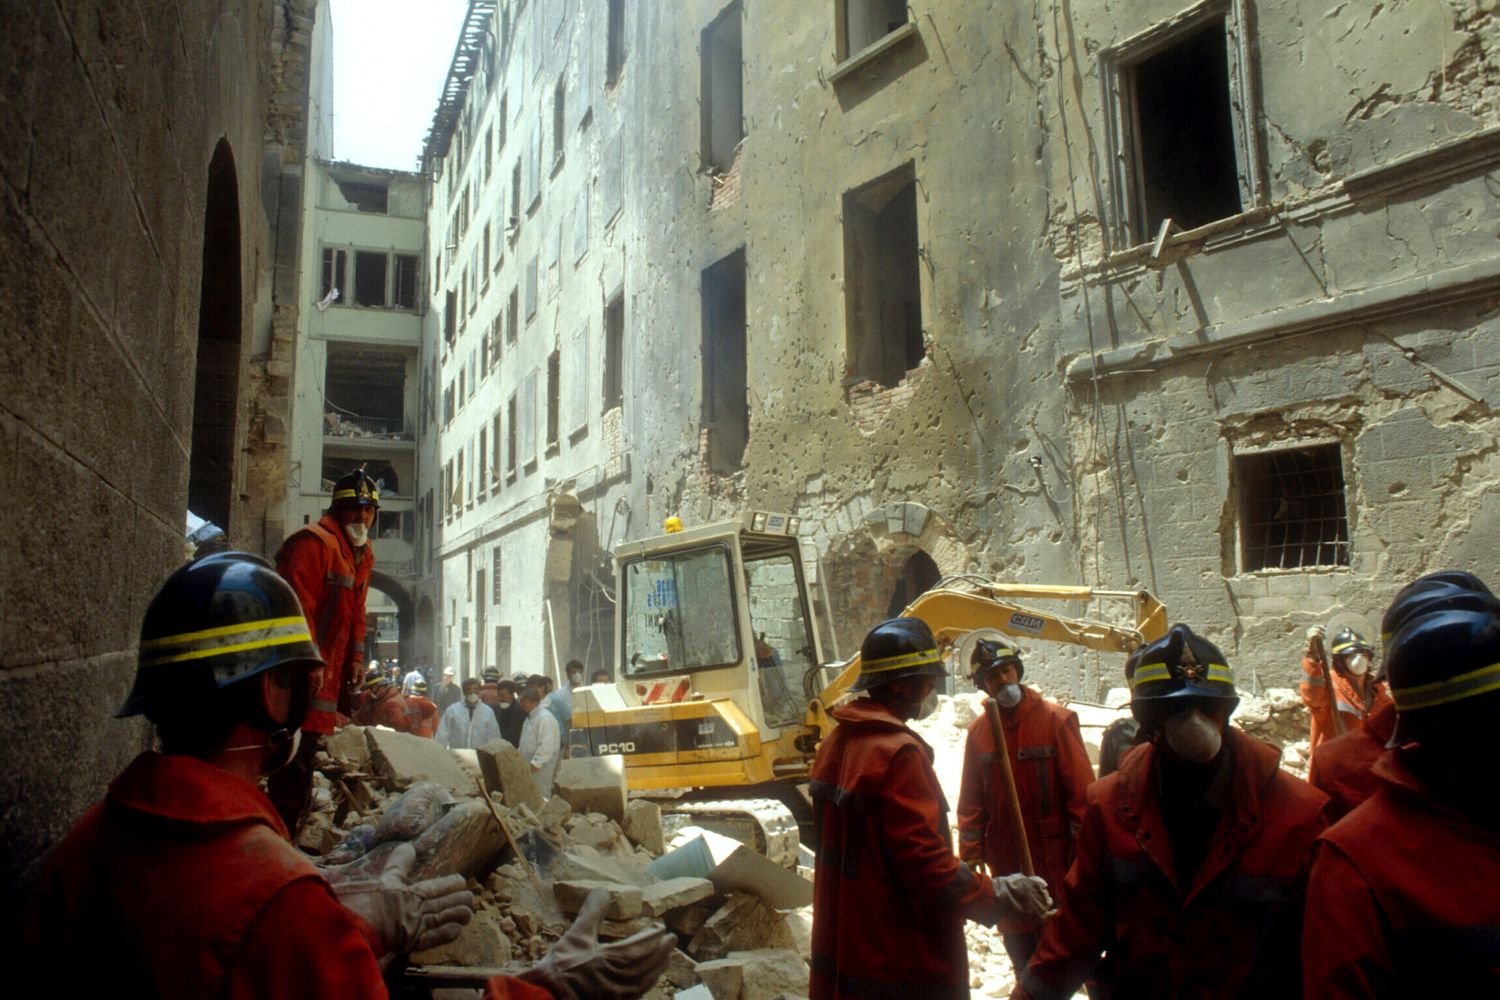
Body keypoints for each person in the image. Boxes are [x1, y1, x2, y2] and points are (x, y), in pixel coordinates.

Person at [18, 553, 475, 996]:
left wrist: (326, 922)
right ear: (268, 690)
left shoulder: (81, 846)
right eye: (299, 680)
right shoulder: (283, 907)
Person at [1015, 624, 1329, 999]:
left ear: (1226, 710)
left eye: (1207, 706)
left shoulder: (1299, 815)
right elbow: (1075, 931)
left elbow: (1328, 954)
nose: (1194, 719)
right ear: (1150, 722)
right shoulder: (1111, 806)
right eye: (1176, 708)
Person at [810, 617, 1053, 1000]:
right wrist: (999, 893)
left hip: (846, 947)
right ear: (900, 684)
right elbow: (926, 866)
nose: (929, 690)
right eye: (926, 680)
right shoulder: (897, 755)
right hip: (897, 959)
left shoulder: (835, 745)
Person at [1303, 572, 1500, 995]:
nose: (1357, 662)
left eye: (1362, 655)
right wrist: (1311, 661)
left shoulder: (1378, 692)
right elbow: (1314, 699)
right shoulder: (1356, 862)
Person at [957, 639, 1095, 973]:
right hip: (1007, 861)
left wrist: (1083, 855)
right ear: (983, 686)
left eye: (1006, 671)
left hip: (1057, 861)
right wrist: (972, 853)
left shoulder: (1055, 720)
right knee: (1023, 957)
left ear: (1017, 671)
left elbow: (1082, 795)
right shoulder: (979, 733)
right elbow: (971, 801)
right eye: (993, 678)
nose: (1002, 681)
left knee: (1068, 953)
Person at [271, 468, 378, 831]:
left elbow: (357, 614)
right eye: (354, 508)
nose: (362, 516)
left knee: (303, 753)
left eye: (368, 510)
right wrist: (310, 659)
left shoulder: (359, 554)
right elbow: (296, 608)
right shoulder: (313, 544)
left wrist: (359, 659)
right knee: (292, 756)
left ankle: (290, 831)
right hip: (300, 675)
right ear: (337, 509)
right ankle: (282, 835)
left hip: (326, 679)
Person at [1300, 624, 1393, 750]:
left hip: (1367, 763)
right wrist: (1311, 655)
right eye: (1351, 654)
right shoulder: (1330, 685)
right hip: (1335, 762)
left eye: (1363, 653)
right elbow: (1312, 697)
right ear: (1339, 661)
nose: (1359, 658)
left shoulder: (1378, 690)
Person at [436, 677, 503, 750]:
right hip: (457, 756)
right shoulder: (452, 710)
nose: (472, 692)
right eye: (469, 689)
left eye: (475, 689)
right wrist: (440, 752)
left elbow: (494, 737)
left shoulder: (488, 712)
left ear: (479, 691)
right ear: (464, 692)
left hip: (479, 757)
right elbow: (442, 735)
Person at [519, 686, 562, 797]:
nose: (520, 703)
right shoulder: (529, 718)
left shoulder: (545, 718)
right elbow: (524, 742)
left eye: (521, 701)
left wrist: (537, 763)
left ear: (528, 702)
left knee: (541, 793)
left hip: (541, 765)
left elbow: (547, 744)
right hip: (529, 763)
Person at [493, 679, 527, 747]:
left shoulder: (521, 712)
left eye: (503, 696)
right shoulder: (495, 710)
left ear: (512, 694)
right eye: (498, 696)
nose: (500, 699)